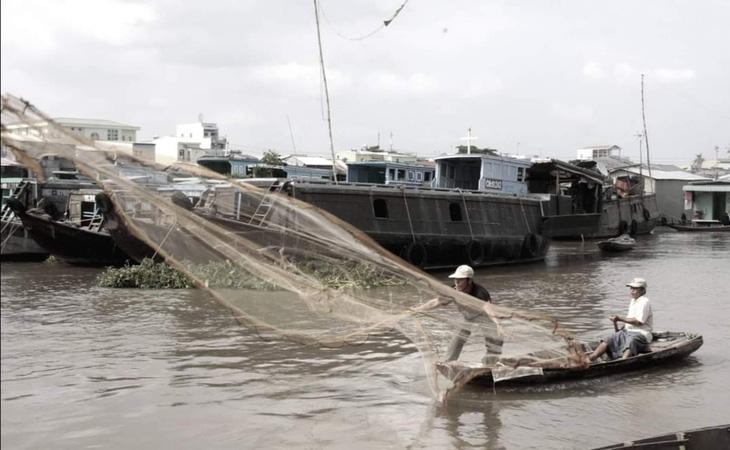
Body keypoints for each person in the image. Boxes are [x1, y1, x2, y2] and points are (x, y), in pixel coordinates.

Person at [443, 265, 503, 363]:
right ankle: (448, 361)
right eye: (455, 279)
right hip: (468, 316)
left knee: (495, 341)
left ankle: (490, 364)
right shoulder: (454, 289)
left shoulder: (480, 293)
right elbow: (438, 301)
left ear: (469, 280)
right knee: (459, 336)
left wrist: (498, 325)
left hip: (485, 316)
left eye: (460, 280)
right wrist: (420, 308)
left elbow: (489, 309)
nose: (456, 283)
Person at [588, 277, 653, 362]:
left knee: (631, 341)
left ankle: (622, 362)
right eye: (631, 288)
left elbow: (638, 322)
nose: (632, 291)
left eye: (635, 288)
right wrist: (622, 324)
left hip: (641, 334)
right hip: (628, 331)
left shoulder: (645, 302)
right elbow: (630, 319)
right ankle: (589, 359)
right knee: (609, 338)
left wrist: (619, 319)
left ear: (642, 290)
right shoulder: (633, 301)